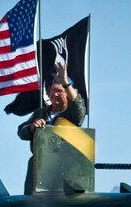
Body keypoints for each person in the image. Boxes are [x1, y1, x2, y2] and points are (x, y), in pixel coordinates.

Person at [18, 61, 86, 194]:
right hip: (38, 167)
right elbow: (21, 132)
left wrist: (65, 82)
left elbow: (78, 106)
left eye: (60, 91)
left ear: (67, 93)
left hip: (65, 169)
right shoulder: (41, 113)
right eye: (53, 90)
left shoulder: (71, 114)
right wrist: (32, 127)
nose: (55, 94)